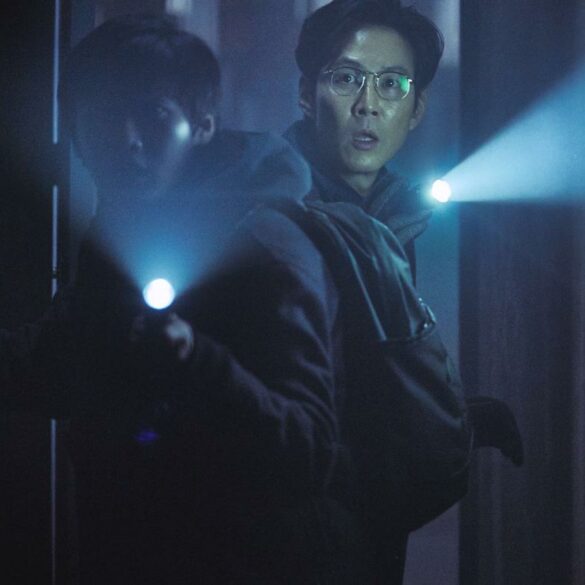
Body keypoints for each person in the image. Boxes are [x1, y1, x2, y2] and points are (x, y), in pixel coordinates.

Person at [1, 12, 470, 585]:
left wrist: (194, 362)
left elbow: (306, 451)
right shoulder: (127, 232)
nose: (127, 139)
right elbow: (61, 359)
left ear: (202, 125)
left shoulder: (264, 242)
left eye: (153, 115)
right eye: (103, 116)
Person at [285, 0, 524, 579]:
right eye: (345, 78)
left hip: (368, 533)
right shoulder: (273, 210)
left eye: (391, 84)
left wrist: (457, 423)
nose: (368, 104)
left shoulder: (391, 215)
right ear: (306, 93)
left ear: (415, 109)